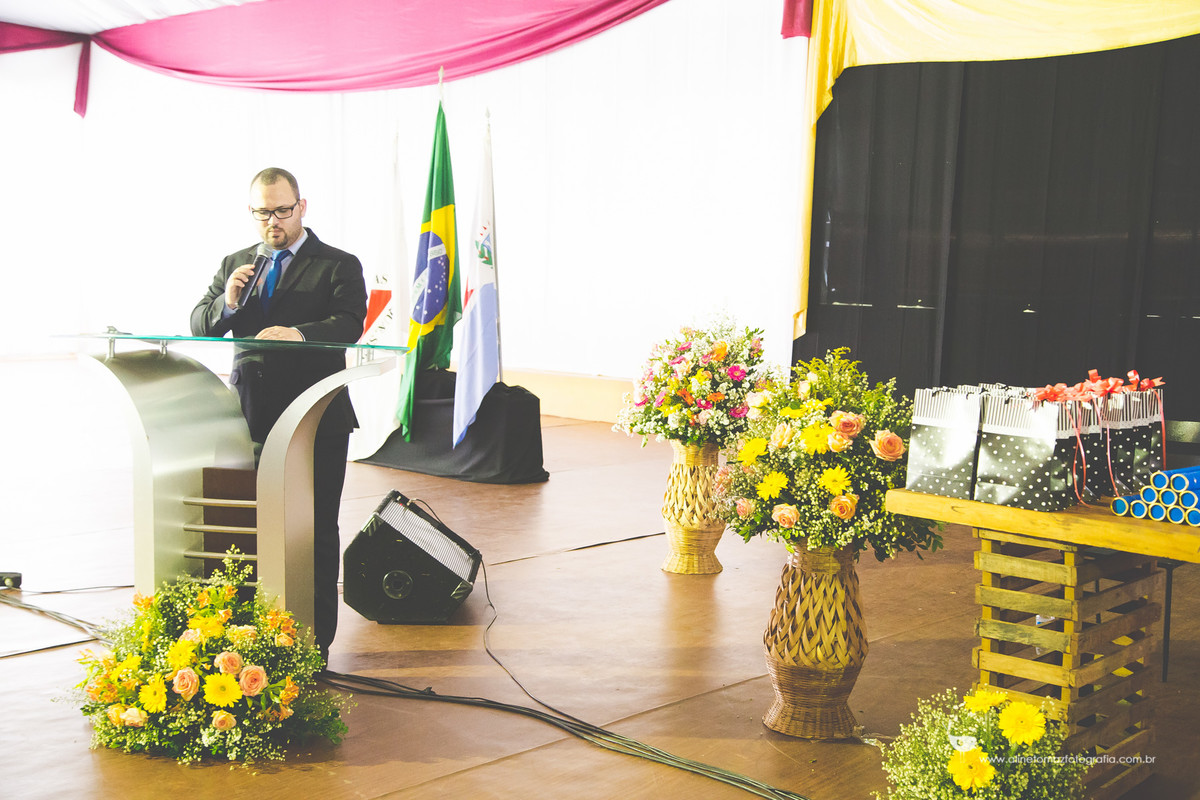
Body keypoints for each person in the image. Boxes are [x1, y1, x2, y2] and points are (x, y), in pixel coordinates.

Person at [191, 167, 367, 663]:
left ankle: (315, 642)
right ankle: (250, 636)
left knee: (313, 526)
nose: (273, 221)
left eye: (282, 211)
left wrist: (302, 334)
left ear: (302, 207)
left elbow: (349, 324)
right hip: (248, 416)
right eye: (262, 212)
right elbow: (200, 325)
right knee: (248, 525)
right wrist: (227, 302)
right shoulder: (236, 263)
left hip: (316, 416)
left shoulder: (337, 264)